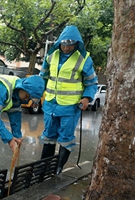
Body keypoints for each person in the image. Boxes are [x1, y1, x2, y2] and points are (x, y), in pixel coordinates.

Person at [39, 25, 98, 174]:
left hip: (70, 106)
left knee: (66, 137)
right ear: (60, 42)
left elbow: (91, 83)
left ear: (77, 43)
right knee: (49, 136)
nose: (66, 48)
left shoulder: (83, 59)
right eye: (64, 44)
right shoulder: (51, 56)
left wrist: (86, 98)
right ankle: (43, 167)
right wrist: (36, 93)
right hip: (51, 104)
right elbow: (43, 77)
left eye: (70, 45)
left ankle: (58, 167)